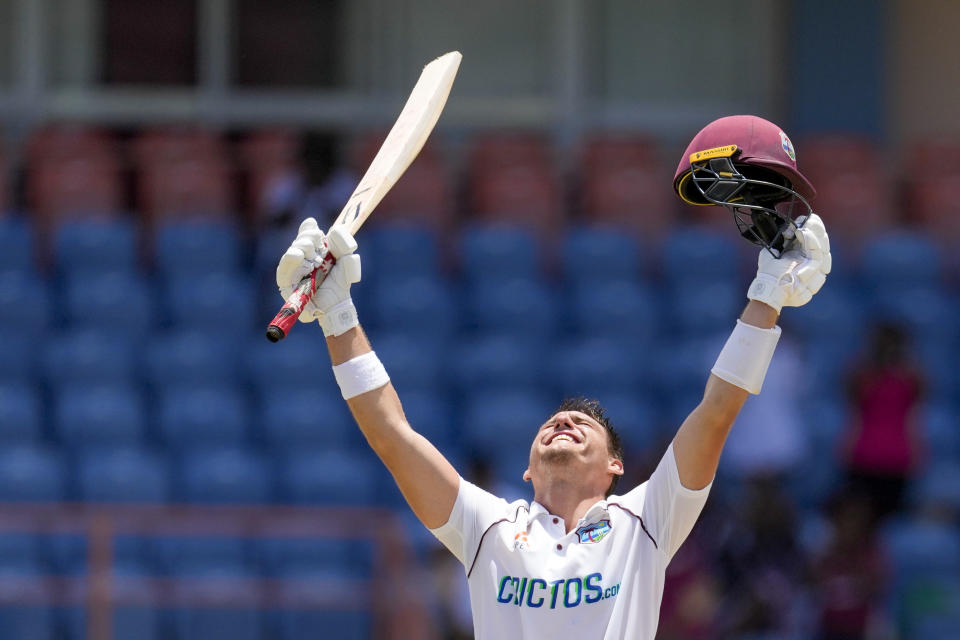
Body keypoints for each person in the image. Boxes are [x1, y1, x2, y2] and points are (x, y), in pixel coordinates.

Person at [274, 115, 832, 639]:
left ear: (617, 467)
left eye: (586, 425)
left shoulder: (645, 520)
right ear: (525, 470)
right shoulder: (487, 526)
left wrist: (768, 295)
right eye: (555, 423)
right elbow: (391, 436)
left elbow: (715, 413)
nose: (565, 420)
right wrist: (338, 314)